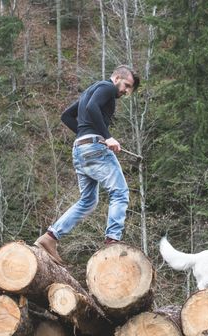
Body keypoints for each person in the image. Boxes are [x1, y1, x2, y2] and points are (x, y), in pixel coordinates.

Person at [34, 65, 140, 265]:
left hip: (80, 149)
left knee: (88, 201)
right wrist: (106, 137)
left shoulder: (90, 91)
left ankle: (50, 237)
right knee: (120, 192)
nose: (126, 91)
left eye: (129, 88)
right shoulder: (107, 87)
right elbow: (92, 108)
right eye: (126, 85)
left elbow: (66, 116)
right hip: (94, 148)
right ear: (117, 77)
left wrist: (85, 135)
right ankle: (113, 241)